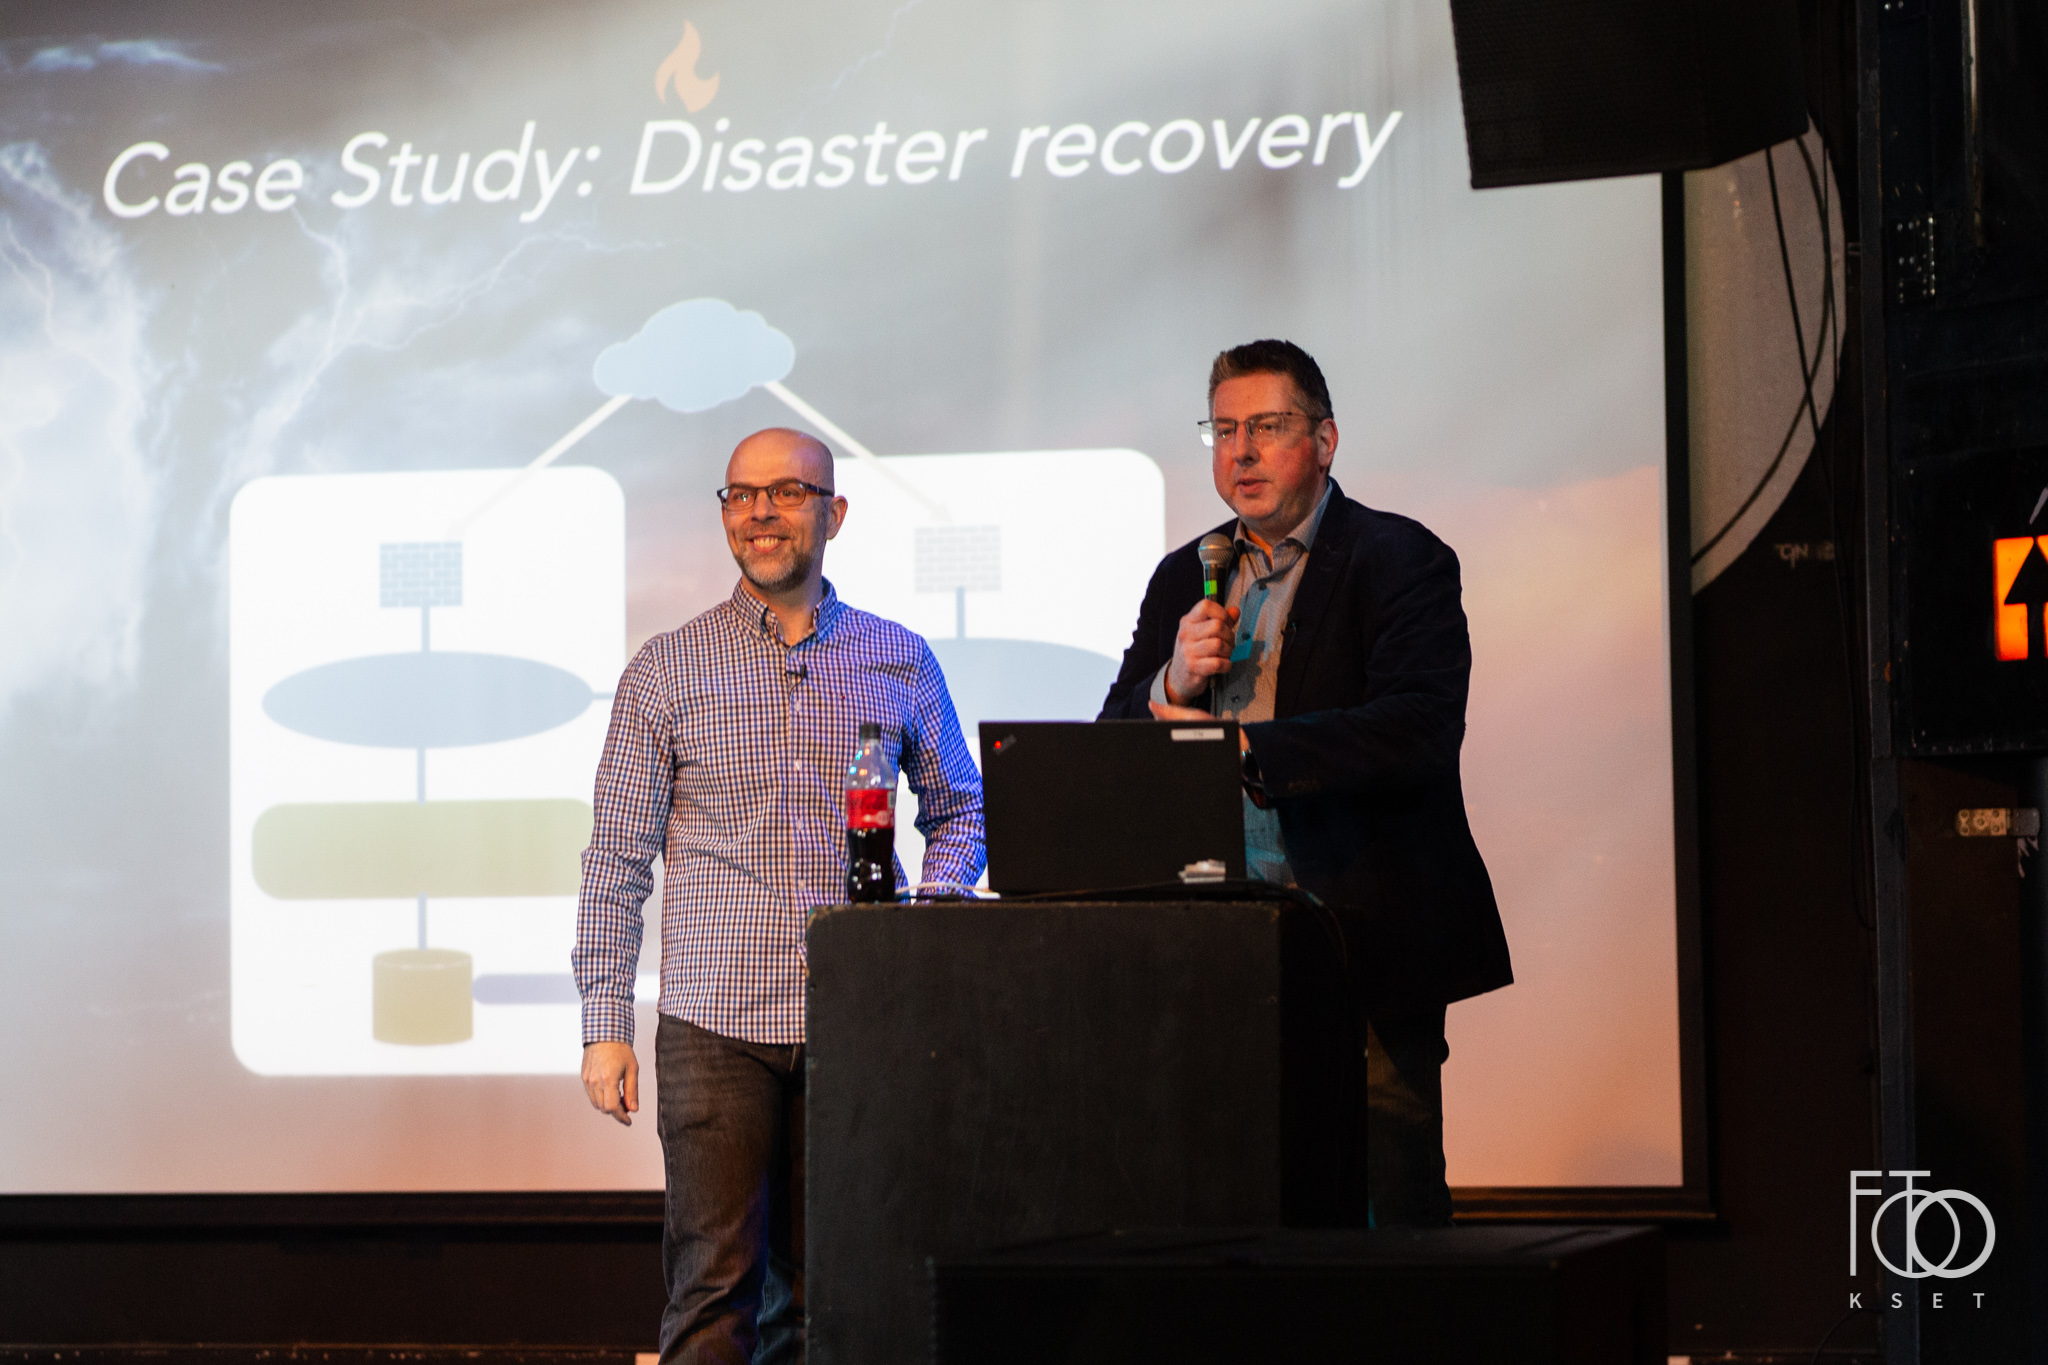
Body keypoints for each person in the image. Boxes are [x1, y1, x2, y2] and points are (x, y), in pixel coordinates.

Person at [573, 428, 986, 1363]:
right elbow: (618, 857)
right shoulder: (667, 667)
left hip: (858, 1018)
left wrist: (926, 919)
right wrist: (604, 1021)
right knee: (712, 1291)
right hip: (716, 1022)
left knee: (830, 1292)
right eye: (741, 494)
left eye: (787, 492)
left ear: (833, 514)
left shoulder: (897, 657)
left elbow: (960, 807)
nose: (760, 512)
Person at [1100, 339, 1510, 1227]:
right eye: (1224, 430)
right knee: (1232, 1192)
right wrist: (1172, 681)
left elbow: (1418, 727)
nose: (1241, 451)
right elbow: (1112, 744)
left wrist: (1252, 748)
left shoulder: (1397, 557)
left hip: (1362, 929)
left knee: (1387, 1192)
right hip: (1216, 937)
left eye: (1268, 426)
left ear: (1324, 441)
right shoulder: (1184, 574)